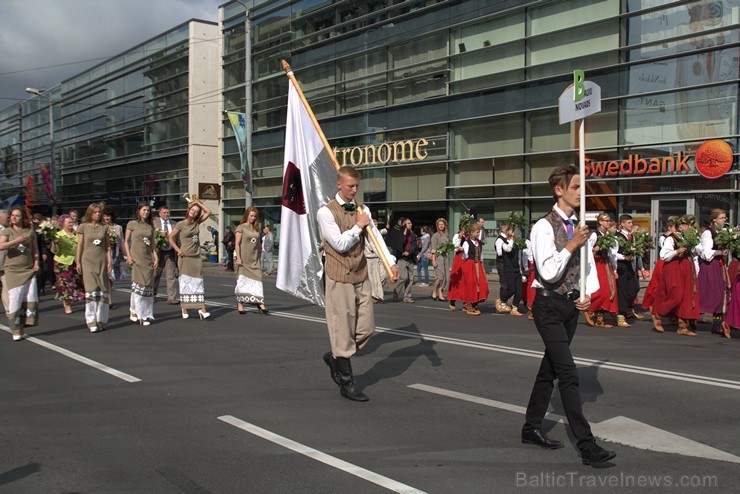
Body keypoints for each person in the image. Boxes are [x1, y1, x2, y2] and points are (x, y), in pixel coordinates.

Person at [522, 164, 616, 466]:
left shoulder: (581, 226)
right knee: (568, 373)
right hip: (547, 305)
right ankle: (587, 445)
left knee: (549, 370)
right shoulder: (543, 227)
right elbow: (548, 272)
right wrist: (572, 244)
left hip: (569, 307)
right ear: (558, 190)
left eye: (582, 187)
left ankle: (531, 428)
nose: (581, 192)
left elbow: (587, 267)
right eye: (575, 187)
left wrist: (587, 293)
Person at [318, 166, 399, 402]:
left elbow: (376, 239)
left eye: (357, 186)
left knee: (367, 329)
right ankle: (347, 383)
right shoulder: (325, 213)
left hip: (360, 275)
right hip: (338, 276)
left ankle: (335, 357)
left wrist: (390, 263)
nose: (355, 190)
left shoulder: (363, 210)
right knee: (342, 331)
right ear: (339, 184)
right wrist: (358, 225)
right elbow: (340, 244)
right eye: (350, 186)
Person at [654, 216, 701, 336]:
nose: (689, 227)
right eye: (687, 225)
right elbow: (664, 255)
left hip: (687, 267)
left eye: (691, 225)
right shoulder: (672, 238)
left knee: (687, 295)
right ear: (680, 226)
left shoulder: (691, 238)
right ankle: (659, 313)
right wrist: (677, 251)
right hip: (674, 267)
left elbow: (697, 253)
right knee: (677, 294)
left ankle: (682, 325)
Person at [0, 207, 39, 341]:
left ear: (23, 217)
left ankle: (22, 326)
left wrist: (36, 262)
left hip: (28, 268)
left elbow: (35, 249)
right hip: (13, 269)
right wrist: (15, 242)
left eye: (17, 215)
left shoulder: (30, 232)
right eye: (12, 215)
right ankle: (15, 329)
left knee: (28, 298)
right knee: (15, 298)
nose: (14, 218)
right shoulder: (7, 231)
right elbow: (1, 246)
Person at [169, 200, 211, 320]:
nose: (194, 212)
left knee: (198, 283)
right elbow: (170, 237)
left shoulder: (197, 222)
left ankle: (202, 309)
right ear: (189, 210)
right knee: (186, 282)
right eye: (192, 210)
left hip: (196, 257)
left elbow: (209, 211)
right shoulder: (181, 224)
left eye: (196, 211)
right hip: (185, 257)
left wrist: (198, 203)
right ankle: (185, 308)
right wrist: (178, 250)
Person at [76, 203, 112, 333]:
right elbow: (80, 245)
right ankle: (91, 321)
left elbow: (107, 246)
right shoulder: (83, 227)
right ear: (90, 213)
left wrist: (109, 260)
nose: (97, 214)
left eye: (99, 212)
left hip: (101, 260)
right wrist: (78, 261)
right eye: (95, 212)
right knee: (91, 290)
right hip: (87, 261)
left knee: (102, 290)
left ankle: (102, 320)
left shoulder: (104, 228)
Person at [698, 209, 731, 338]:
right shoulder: (708, 233)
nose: (724, 220)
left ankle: (717, 325)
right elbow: (706, 253)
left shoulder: (723, 232)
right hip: (710, 265)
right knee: (712, 293)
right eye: (722, 218)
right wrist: (719, 252)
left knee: (722, 293)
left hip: (720, 265)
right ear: (714, 220)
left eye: (725, 218)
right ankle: (690, 316)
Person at [124, 202, 158, 326]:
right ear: (139, 211)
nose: (146, 212)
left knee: (147, 287)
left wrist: (156, 258)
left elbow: (152, 245)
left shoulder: (150, 227)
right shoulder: (132, 224)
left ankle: (138, 311)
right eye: (144, 210)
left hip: (147, 259)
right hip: (136, 258)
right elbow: (126, 241)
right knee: (139, 285)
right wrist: (128, 256)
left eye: (148, 210)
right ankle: (141, 315)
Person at [641, 218, 677, 332]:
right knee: (659, 286)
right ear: (670, 227)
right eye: (675, 227)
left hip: (673, 263)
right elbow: (664, 249)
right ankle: (656, 307)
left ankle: (671, 313)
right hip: (663, 263)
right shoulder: (665, 237)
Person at [585, 213, 618, 328]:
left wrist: (614, 268)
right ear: (600, 222)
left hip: (605, 262)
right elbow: (587, 250)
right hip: (597, 262)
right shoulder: (595, 235)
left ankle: (600, 315)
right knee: (600, 289)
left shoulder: (608, 235)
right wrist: (595, 249)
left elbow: (611, 253)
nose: (608, 223)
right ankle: (590, 309)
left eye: (609, 221)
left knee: (609, 289)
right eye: (606, 221)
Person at [235, 207, 268, 314]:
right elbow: (237, 244)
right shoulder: (241, 227)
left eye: (254, 216)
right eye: (251, 216)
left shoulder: (256, 229)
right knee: (243, 282)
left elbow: (258, 244)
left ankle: (260, 303)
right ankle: (240, 304)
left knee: (257, 281)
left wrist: (259, 254)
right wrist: (238, 258)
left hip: (254, 259)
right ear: (247, 216)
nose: (253, 218)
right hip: (244, 259)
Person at [51, 215, 84, 314]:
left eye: (72, 222)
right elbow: (54, 251)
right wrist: (54, 243)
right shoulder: (58, 235)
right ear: (63, 224)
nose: (71, 224)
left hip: (75, 261)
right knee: (64, 284)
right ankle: (67, 304)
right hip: (62, 262)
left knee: (78, 282)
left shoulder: (76, 234)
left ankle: (82, 299)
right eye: (69, 222)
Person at [614, 214, 644, 327]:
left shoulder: (632, 237)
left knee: (634, 288)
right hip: (621, 265)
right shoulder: (617, 236)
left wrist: (640, 267)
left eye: (631, 223)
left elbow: (636, 253)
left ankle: (625, 308)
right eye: (629, 223)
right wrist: (624, 257)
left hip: (630, 266)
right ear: (622, 224)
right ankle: (620, 315)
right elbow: (613, 253)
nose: (631, 225)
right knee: (622, 290)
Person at [460, 222, 489, 315]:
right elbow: (464, 257)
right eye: (477, 232)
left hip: (477, 264)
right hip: (470, 264)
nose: (478, 234)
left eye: (479, 232)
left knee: (480, 283)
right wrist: (463, 252)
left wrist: (481, 265)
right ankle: (469, 304)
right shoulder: (466, 243)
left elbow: (480, 255)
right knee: (471, 284)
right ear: (471, 232)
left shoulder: (478, 242)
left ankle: (475, 302)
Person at [495, 221, 523, 316]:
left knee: (519, 290)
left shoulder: (513, 240)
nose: (513, 232)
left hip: (516, 267)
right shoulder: (502, 241)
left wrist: (521, 269)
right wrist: (510, 240)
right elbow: (506, 250)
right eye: (511, 230)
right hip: (506, 266)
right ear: (505, 230)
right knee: (509, 288)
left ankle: (515, 308)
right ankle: (502, 300)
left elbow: (517, 255)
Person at [153, 205, 179, 304]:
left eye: (168, 212)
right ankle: (152, 294)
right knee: (156, 275)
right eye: (164, 212)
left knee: (171, 276)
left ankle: (171, 297)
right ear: (160, 213)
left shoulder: (174, 224)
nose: (166, 214)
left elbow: (178, 239)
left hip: (170, 252)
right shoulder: (154, 223)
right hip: (158, 252)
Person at [392, 217, 417, 303]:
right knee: (403, 277)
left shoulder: (413, 235)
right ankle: (396, 292)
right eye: (408, 223)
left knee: (410, 278)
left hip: (410, 258)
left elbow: (414, 245)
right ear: (404, 224)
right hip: (401, 258)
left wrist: (409, 252)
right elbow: (400, 243)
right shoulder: (399, 233)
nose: (411, 224)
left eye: (410, 223)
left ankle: (407, 296)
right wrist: (404, 233)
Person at [103, 206, 124, 306]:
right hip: (103, 254)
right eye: (105, 216)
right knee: (104, 277)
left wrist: (126, 255)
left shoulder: (118, 228)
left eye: (109, 216)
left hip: (114, 254)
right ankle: (107, 298)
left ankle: (108, 295)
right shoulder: (101, 227)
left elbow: (121, 242)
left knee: (111, 278)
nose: (107, 218)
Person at [364, 219, 387, 303]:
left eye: (376, 224)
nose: (375, 225)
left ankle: (375, 292)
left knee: (382, 276)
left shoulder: (377, 233)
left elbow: (385, 231)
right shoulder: (366, 234)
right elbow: (368, 244)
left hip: (379, 257)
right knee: (373, 277)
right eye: (374, 224)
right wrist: (373, 248)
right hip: (370, 257)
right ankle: (376, 295)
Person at [446, 221, 467, 311]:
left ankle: (465, 301)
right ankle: (452, 299)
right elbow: (455, 247)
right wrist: (459, 237)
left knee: (465, 280)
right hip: (459, 259)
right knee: (456, 279)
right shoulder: (456, 236)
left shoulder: (469, 237)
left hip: (467, 259)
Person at [430, 218, 450, 302]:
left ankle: (441, 293)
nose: (441, 226)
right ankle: (434, 291)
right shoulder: (435, 235)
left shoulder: (446, 235)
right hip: (438, 258)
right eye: (439, 224)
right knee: (440, 277)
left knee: (445, 277)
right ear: (437, 226)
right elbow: (433, 249)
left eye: (442, 224)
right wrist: (434, 260)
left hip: (445, 258)